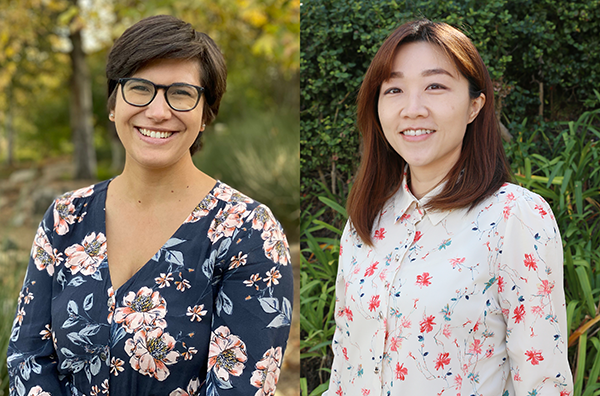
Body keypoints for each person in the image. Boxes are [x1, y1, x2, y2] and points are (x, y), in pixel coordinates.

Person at [7, 15, 292, 396]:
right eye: (139, 88)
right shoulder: (65, 218)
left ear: (205, 113)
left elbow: (241, 387)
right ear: (113, 104)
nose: (158, 112)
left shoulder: (247, 231)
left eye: (181, 93)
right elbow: (27, 358)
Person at [326, 20, 572, 396]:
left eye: (435, 86)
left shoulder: (513, 217)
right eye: (394, 89)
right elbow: (344, 369)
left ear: (475, 105)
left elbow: (544, 383)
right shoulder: (366, 222)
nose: (412, 109)